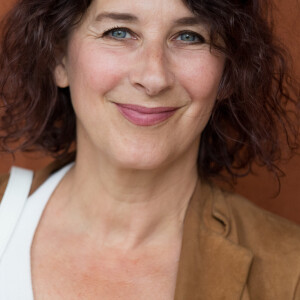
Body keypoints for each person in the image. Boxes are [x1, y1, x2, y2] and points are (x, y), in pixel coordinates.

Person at [0, 0, 299, 299]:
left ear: (227, 73)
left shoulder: (290, 272)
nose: (154, 78)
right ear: (59, 59)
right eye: (118, 32)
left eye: (189, 36)